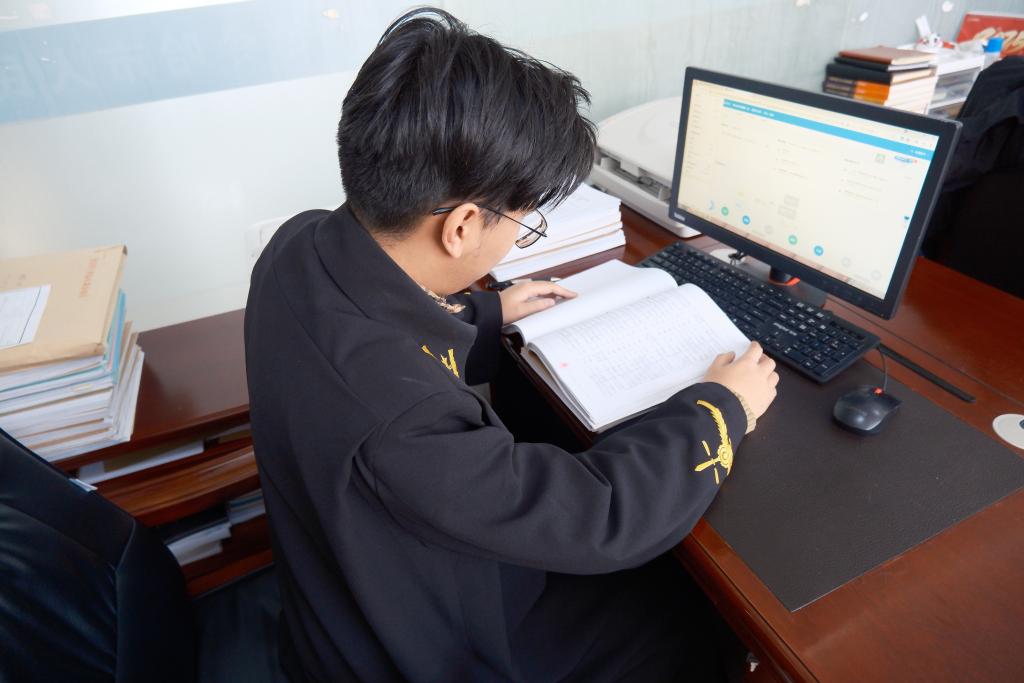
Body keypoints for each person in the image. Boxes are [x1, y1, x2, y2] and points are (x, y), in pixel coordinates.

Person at [244, 8, 779, 682]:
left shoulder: (298, 243)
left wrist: (486, 313)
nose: (518, 235)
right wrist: (720, 408)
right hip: (419, 649)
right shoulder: (405, 426)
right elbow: (599, 516)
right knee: (700, 621)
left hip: (348, 584)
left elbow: (373, 335)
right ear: (463, 226)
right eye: (523, 221)